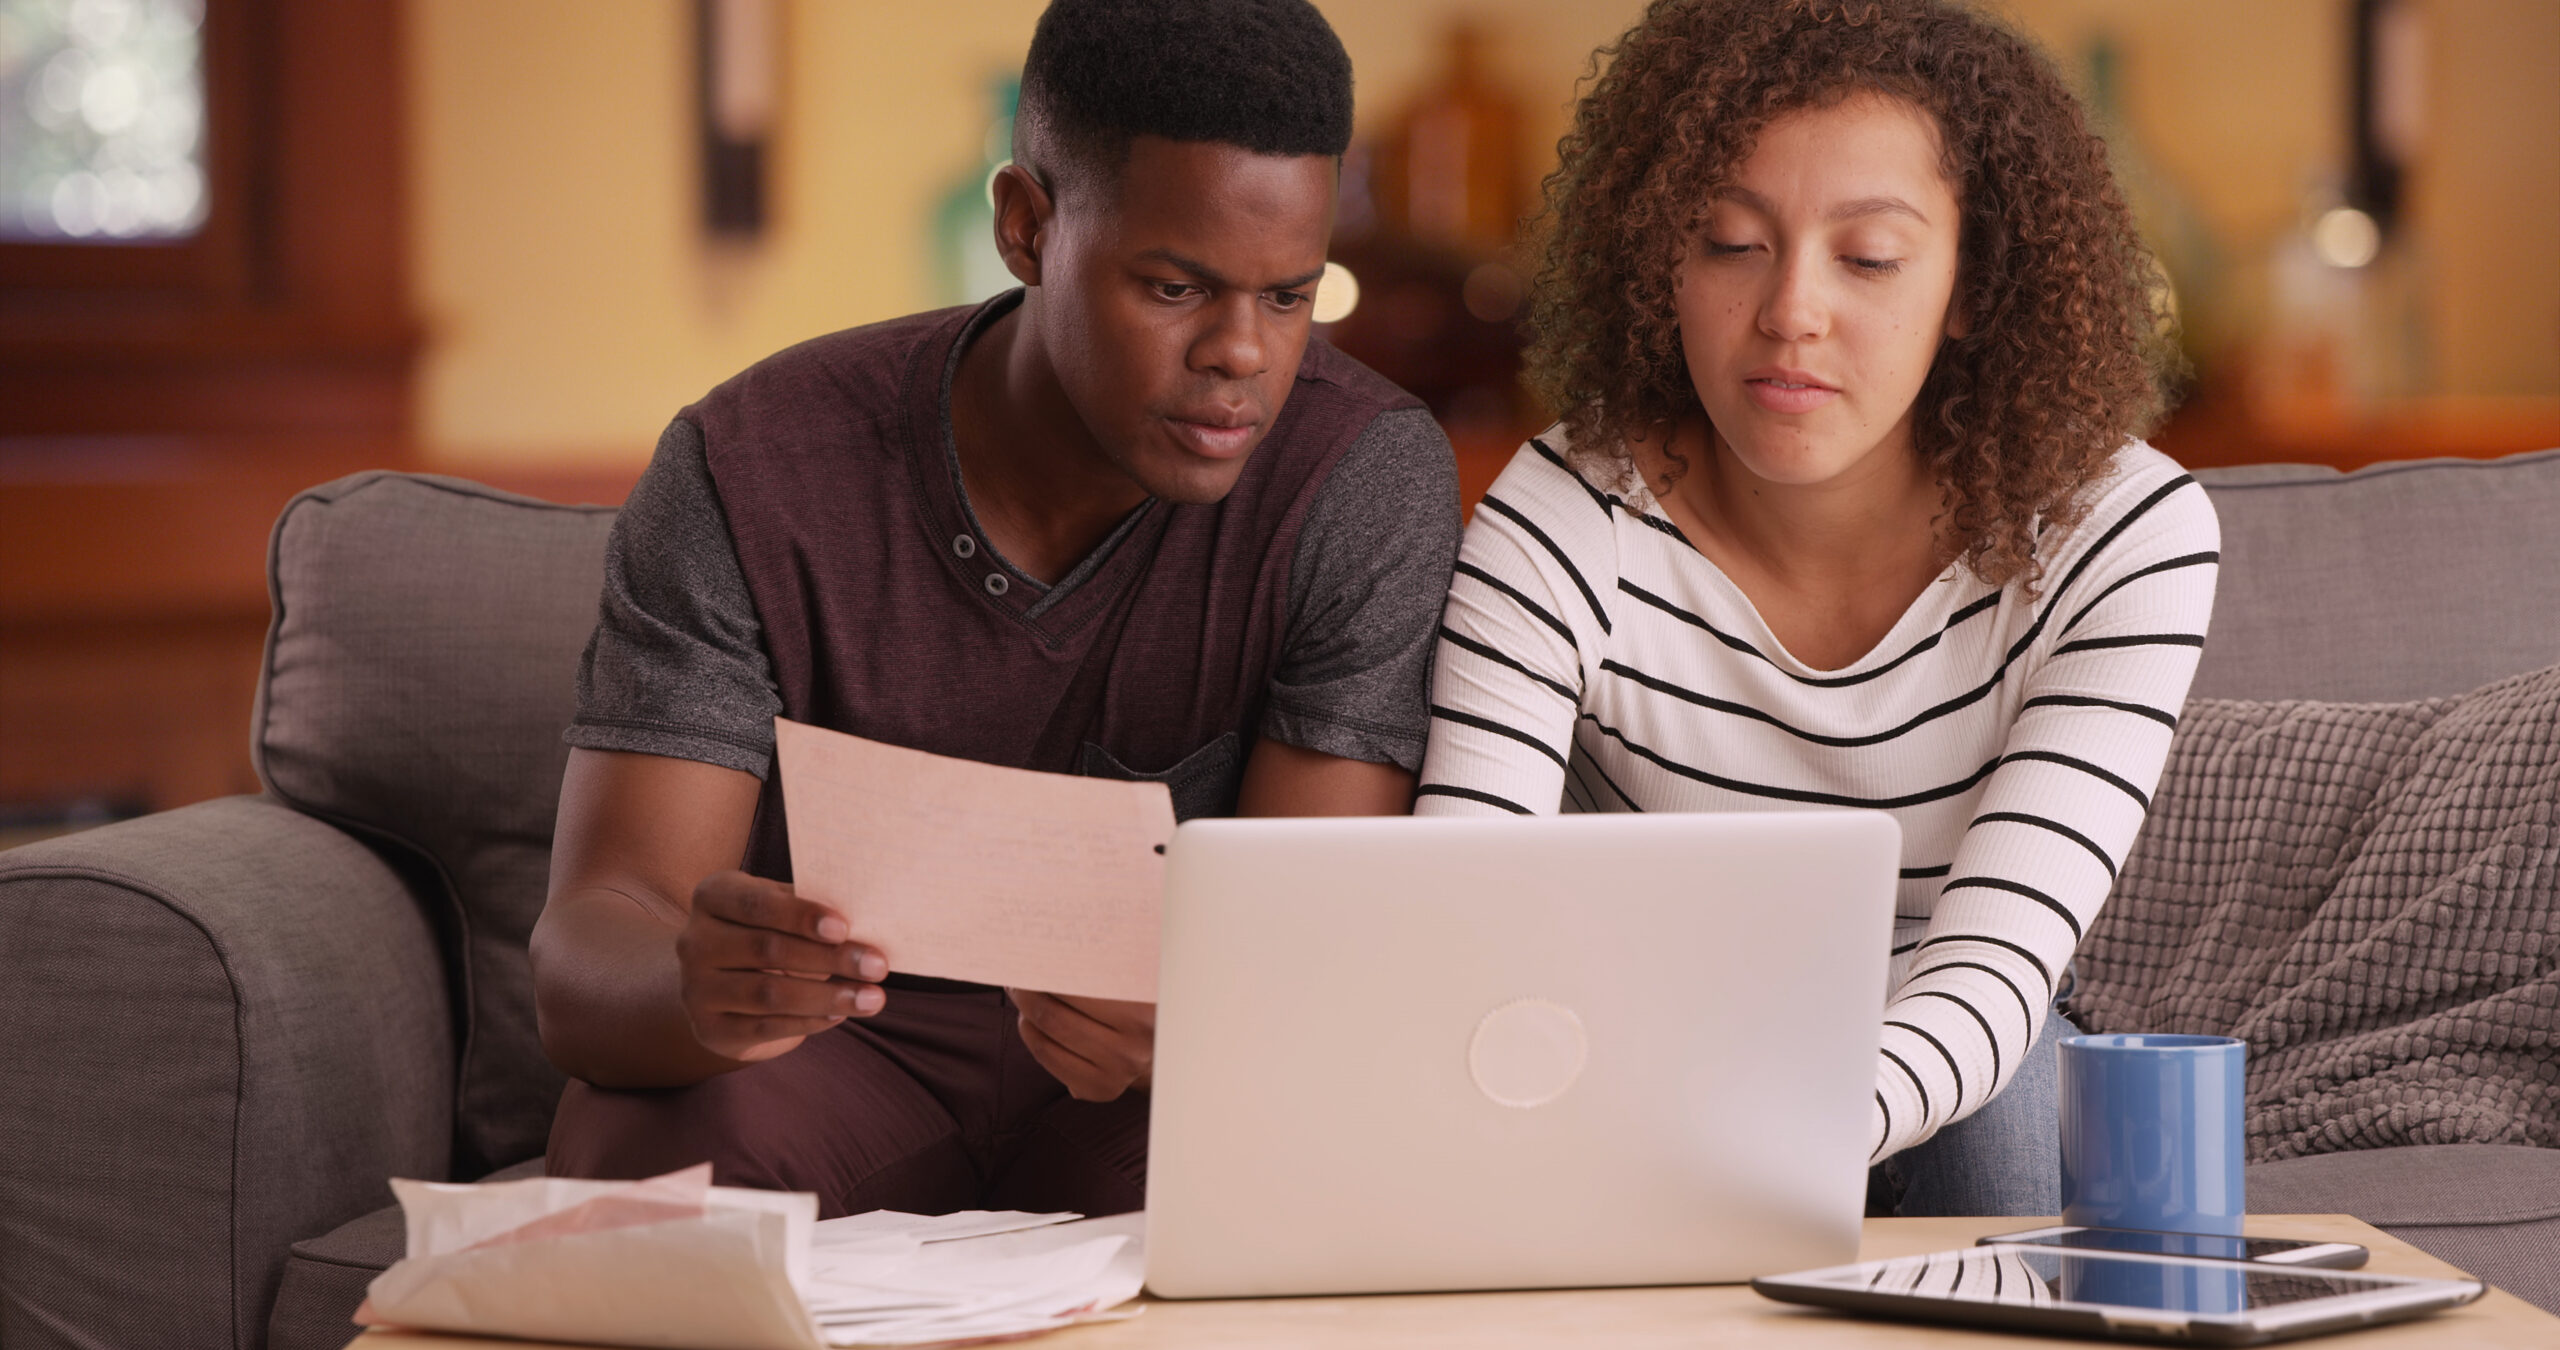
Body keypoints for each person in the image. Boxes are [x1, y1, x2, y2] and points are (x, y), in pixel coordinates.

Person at [531, 0, 1459, 1219]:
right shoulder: (753, 465)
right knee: (630, 1145)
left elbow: (1313, 960)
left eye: (1290, 297)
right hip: (837, 1060)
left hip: (1147, 1102)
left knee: (1307, 1168)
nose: (1243, 355)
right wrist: (695, 988)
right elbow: (590, 946)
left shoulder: (1358, 477)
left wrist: (1207, 1026)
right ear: (1026, 226)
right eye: (1176, 288)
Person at [1413, 0, 2218, 1217]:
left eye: (1870, 258)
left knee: (2002, 1099)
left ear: (1969, 284)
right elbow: (1455, 917)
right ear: (1660, 262)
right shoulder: (1566, 515)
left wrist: (1768, 1134)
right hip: (1633, 1070)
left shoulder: (2120, 531)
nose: (1790, 310)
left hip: (1951, 1075)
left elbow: (1992, 977)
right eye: (1730, 242)